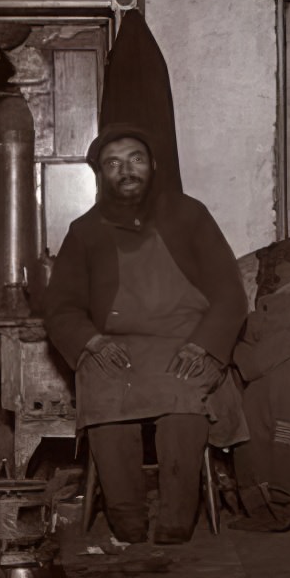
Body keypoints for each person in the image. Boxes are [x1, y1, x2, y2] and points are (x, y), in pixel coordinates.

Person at [44, 123, 247, 544]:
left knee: (183, 396)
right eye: (113, 163)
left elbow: (230, 292)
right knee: (103, 393)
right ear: (101, 175)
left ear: (153, 165)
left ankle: (176, 521)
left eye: (135, 159)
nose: (126, 170)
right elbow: (61, 307)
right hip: (117, 347)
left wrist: (205, 344)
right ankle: (127, 521)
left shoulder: (190, 215)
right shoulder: (84, 231)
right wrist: (92, 341)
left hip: (189, 341)